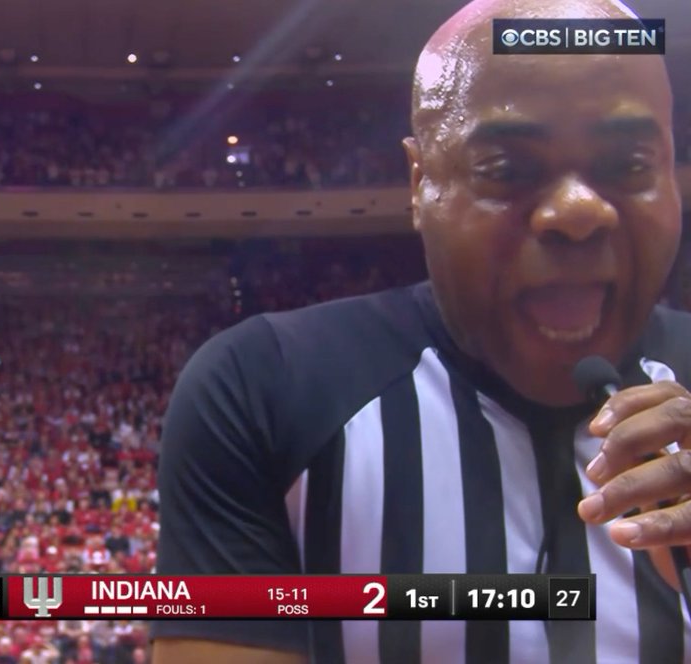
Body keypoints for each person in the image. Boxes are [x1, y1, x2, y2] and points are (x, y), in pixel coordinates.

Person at [150, 0, 691, 662]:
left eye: (629, 163)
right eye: (506, 169)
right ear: (419, 182)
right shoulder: (265, 387)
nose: (578, 212)